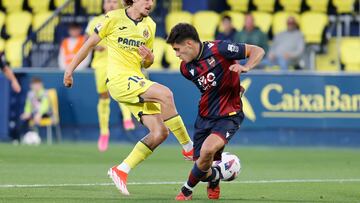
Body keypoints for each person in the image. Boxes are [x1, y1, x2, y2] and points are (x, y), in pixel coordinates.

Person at [63, 0, 194, 196]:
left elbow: (147, 62)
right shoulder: (113, 18)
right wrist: (69, 70)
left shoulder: (150, 25)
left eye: (152, 0)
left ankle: (121, 170)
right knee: (166, 94)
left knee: (160, 132)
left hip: (135, 80)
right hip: (118, 80)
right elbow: (88, 44)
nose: (150, 3)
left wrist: (149, 58)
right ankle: (189, 148)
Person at [166, 23, 264, 200]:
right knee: (202, 168)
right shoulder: (185, 69)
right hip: (204, 117)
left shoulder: (220, 48)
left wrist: (246, 67)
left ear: (189, 43)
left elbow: (258, 50)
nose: (176, 55)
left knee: (207, 150)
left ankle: (186, 190)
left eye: (177, 49)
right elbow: (210, 86)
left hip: (229, 115)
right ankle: (216, 177)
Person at [85, 0, 136, 152]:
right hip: (101, 64)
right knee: (104, 96)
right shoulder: (95, 21)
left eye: (114, 1)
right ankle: (104, 132)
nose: (111, 5)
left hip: (118, 61)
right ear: (103, 5)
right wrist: (95, 45)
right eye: (108, 2)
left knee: (120, 90)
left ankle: (127, 118)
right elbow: (88, 41)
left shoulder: (124, 19)